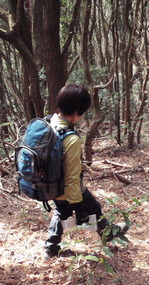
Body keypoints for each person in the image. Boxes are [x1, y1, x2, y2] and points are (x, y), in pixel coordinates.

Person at [44, 84, 127, 258]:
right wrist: (78, 206)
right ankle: (109, 235)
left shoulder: (49, 122)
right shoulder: (71, 139)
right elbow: (72, 177)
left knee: (62, 211)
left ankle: (51, 248)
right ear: (77, 112)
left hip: (48, 185)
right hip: (65, 187)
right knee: (93, 209)